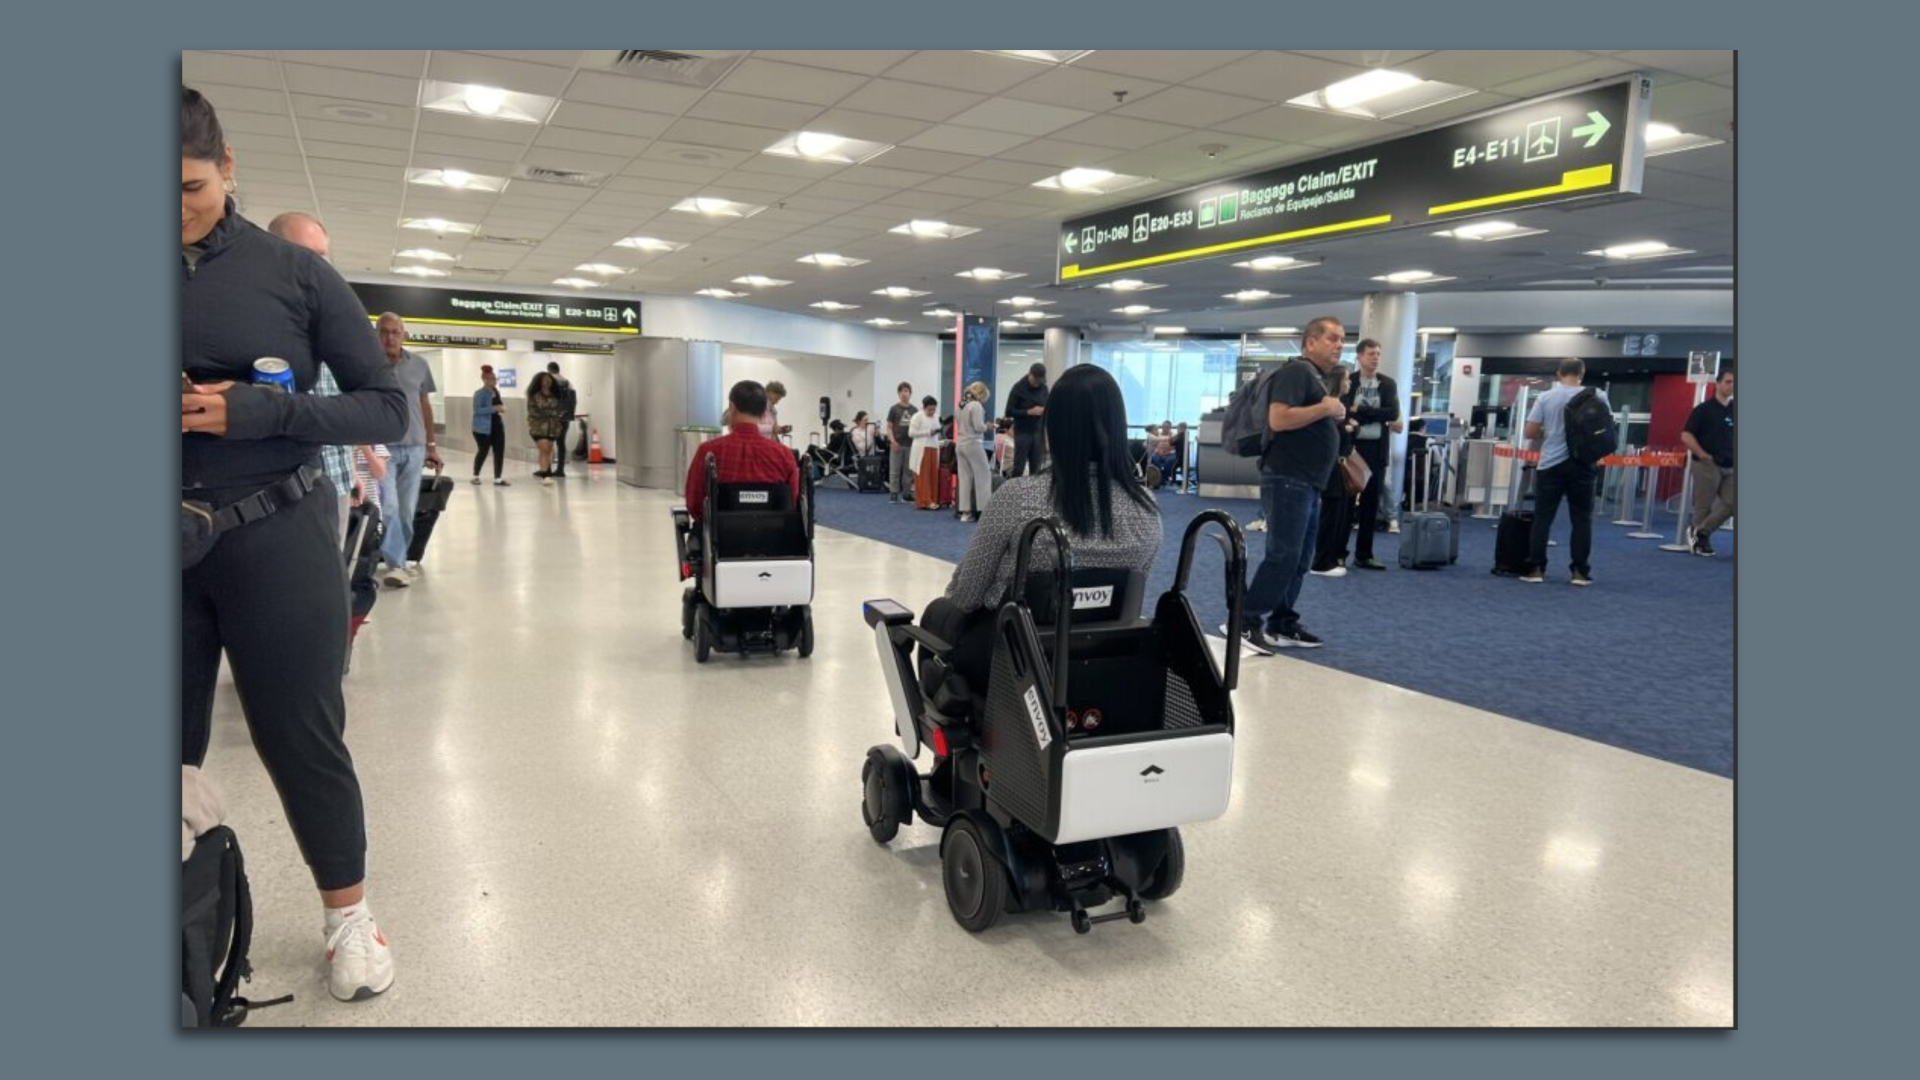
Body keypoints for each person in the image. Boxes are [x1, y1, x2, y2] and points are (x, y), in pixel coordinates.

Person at [181, 86, 408, 1002]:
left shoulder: (297, 275)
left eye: (188, 187)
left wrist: (260, 410)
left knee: (301, 736)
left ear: (227, 167)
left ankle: (349, 919)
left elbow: (385, 405)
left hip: (274, 530)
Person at [929, 364, 1160, 691]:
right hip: (1104, 662)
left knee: (937, 615)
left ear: (1054, 425)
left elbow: (966, 596)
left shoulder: (1018, 496)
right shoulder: (1146, 508)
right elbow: (1133, 597)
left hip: (1017, 663)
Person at [1232, 316, 1347, 652]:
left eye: (1342, 339)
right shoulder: (1297, 372)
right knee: (1283, 554)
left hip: (1307, 481)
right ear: (1310, 342)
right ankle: (1245, 621)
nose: (1339, 344)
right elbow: (1279, 419)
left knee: (1299, 558)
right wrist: (1324, 408)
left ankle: (1282, 622)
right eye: (1332, 338)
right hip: (1288, 478)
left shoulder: (1316, 378)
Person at [266, 212, 358, 542]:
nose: (318, 267)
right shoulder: (258, 322)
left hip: (337, 479)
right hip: (285, 489)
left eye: (322, 256)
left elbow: (343, 401)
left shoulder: (330, 322)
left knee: (334, 579)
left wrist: (353, 471)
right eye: (307, 255)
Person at [1521, 358, 1609, 586]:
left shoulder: (1546, 397)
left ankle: (1536, 569)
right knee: (1582, 519)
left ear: (1559, 373)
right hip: (1584, 464)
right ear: (1582, 373)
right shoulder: (1598, 395)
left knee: (1543, 518)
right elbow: (1606, 428)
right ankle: (1579, 572)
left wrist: (1549, 432)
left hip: (1551, 464)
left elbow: (1530, 432)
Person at [372, 312, 441, 587]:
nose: (390, 337)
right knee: (388, 507)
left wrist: (431, 446)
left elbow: (424, 405)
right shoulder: (368, 366)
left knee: (405, 511)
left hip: (414, 447)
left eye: (395, 332)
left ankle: (398, 558)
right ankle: (397, 564)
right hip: (382, 447)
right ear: (376, 335)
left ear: (404, 335)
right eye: (384, 332)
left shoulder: (420, 365)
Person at [684, 380, 801, 526]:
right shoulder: (785, 455)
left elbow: (694, 504)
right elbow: (794, 503)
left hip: (721, 540)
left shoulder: (708, 452)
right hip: (774, 541)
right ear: (762, 411)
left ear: (732, 407)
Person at [1343, 338, 1400, 570]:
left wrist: (1362, 411)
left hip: (1377, 450)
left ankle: (1364, 554)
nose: (1375, 357)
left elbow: (1392, 413)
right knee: (1346, 503)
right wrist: (1373, 413)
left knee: (1370, 504)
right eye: (1370, 353)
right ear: (1359, 356)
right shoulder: (1350, 381)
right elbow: (1345, 410)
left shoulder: (1387, 384)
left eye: (1378, 353)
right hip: (1352, 449)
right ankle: (1338, 553)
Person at [1312, 366, 1362, 577]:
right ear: (1338, 381)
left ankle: (1330, 558)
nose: (1349, 383)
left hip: (1339, 465)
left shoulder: (1340, 405)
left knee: (1339, 514)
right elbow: (1328, 432)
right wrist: (1348, 428)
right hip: (1331, 466)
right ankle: (1321, 561)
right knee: (1330, 515)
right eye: (1347, 379)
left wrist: (1351, 427)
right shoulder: (1328, 404)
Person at [1682, 367, 1735, 557]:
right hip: (1707, 463)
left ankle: (1701, 532)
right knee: (1704, 505)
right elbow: (1686, 435)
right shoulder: (1703, 410)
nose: (1731, 386)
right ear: (1718, 384)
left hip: (1731, 465)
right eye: (1728, 382)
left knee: (1732, 502)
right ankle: (1700, 542)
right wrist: (1702, 454)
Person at [954, 382, 994, 522]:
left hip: (960, 443)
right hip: (973, 443)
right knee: (983, 476)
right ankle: (984, 512)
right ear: (981, 394)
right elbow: (978, 427)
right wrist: (988, 426)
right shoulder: (976, 405)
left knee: (965, 478)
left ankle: (965, 513)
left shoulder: (961, 404)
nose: (984, 401)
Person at [1003, 362, 1050, 477]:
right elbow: (1008, 411)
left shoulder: (1043, 388)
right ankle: (1014, 493)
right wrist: (1028, 412)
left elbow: (1049, 405)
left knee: (1037, 467)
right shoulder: (1018, 388)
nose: (1037, 384)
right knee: (1019, 467)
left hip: (1038, 432)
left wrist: (1045, 409)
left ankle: (1033, 493)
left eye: (1040, 381)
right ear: (1030, 374)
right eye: (1036, 381)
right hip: (1023, 432)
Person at [471, 364, 508, 486]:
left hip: (497, 425)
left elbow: (499, 404)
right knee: (483, 451)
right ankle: (475, 476)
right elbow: (477, 410)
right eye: (491, 378)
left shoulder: (496, 391)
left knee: (499, 451)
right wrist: (494, 408)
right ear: (484, 379)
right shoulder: (479, 393)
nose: (494, 381)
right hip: (482, 428)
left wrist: (501, 408)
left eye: (495, 378)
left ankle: (498, 478)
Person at [526, 370, 565, 485]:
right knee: (545, 449)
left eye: (549, 379)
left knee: (548, 450)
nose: (548, 381)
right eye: (545, 379)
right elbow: (533, 411)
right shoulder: (534, 395)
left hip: (553, 428)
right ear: (539, 382)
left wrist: (556, 413)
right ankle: (545, 476)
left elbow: (559, 409)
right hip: (538, 427)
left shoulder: (555, 395)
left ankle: (545, 472)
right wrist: (552, 413)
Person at [909, 395, 943, 509]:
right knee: (923, 476)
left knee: (933, 475)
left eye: (934, 409)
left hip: (934, 448)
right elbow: (911, 433)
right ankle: (925, 501)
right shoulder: (917, 416)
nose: (932, 412)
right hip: (922, 449)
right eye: (929, 409)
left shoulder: (936, 416)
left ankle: (933, 500)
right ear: (924, 408)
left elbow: (937, 430)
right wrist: (928, 432)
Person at [545, 361, 577, 478]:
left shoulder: (547, 380)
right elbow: (573, 400)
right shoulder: (568, 382)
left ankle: (546, 469)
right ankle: (560, 470)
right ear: (558, 370)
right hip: (565, 417)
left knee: (548, 443)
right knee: (561, 443)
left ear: (548, 370)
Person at [885, 382, 915, 503]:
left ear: (910, 393)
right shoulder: (894, 409)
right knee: (895, 470)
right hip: (897, 444)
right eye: (902, 391)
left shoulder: (914, 410)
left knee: (908, 471)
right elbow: (889, 427)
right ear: (898, 393)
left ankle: (907, 494)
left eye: (906, 391)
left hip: (910, 444)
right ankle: (893, 493)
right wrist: (892, 441)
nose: (904, 394)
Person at [1147, 422, 1179, 488]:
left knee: (1169, 461)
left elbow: (1176, 448)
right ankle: (1160, 478)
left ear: (1170, 428)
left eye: (1167, 427)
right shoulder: (1156, 435)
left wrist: (1168, 453)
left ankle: (1162, 478)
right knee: (1154, 459)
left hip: (1170, 454)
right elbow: (1147, 442)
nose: (1165, 428)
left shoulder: (1174, 435)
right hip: (1158, 453)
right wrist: (1158, 452)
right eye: (1163, 427)